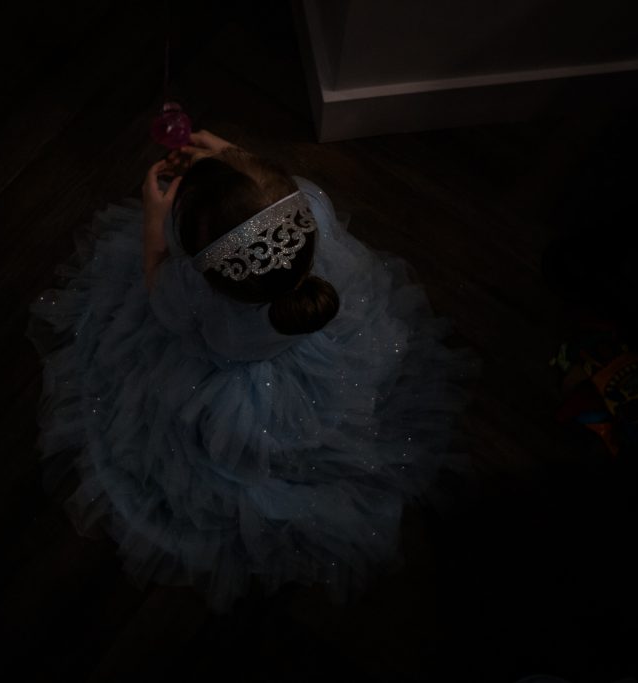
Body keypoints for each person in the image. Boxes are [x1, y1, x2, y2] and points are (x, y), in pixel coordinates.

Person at [27, 130, 477, 612]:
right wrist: (230, 154)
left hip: (228, 380)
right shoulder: (312, 210)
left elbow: (159, 294)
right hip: (309, 351)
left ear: (204, 265)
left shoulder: (194, 292)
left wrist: (155, 222)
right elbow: (270, 195)